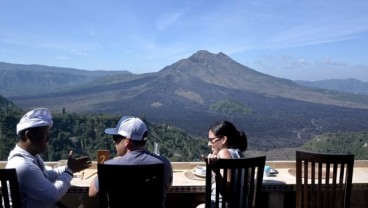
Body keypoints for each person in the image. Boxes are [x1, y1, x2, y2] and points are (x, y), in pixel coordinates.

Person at [5, 108, 92, 208]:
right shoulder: (23, 165)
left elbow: (46, 175)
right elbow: (53, 195)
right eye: (45, 135)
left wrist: (69, 168)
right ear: (29, 135)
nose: (48, 139)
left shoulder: (31, 157)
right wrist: (69, 171)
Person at [88, 116, 173, 207]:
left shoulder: (110, 166)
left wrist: (100, 172)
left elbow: (92, 193)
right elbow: (167, 188)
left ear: (127, 142)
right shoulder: (164, 164)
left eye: (116, 138)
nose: (114, 141)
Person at [197, 120, 248, 208]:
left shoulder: (224, 153)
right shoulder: (239, 154)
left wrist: (214, 169)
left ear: (224, 139)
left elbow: (227, 190)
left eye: (211, 140)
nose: (209, 144)